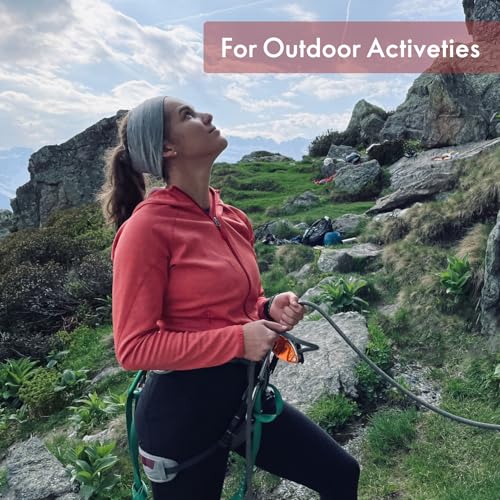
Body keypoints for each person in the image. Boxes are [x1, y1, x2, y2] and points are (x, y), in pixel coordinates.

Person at [98, 96, 360, 499]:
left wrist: (266, 308)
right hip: (180, 419)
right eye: (187, 116)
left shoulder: (232, 217)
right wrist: (238, 340)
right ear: (168, 148)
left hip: (241, 398)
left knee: (340, 473)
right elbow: (134, 348)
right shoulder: (145, 230)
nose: (207, 116)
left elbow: (236, 307)